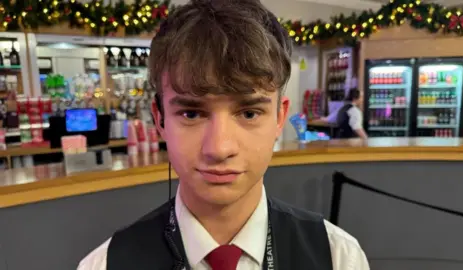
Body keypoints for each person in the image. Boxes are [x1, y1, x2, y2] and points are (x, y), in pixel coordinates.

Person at [78, 0, 370, 269]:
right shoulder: (104, 266)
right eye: (192, 113)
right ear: (160, 120)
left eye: (249, 113)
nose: (219, 148)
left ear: (280, 117)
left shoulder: (339, 258)